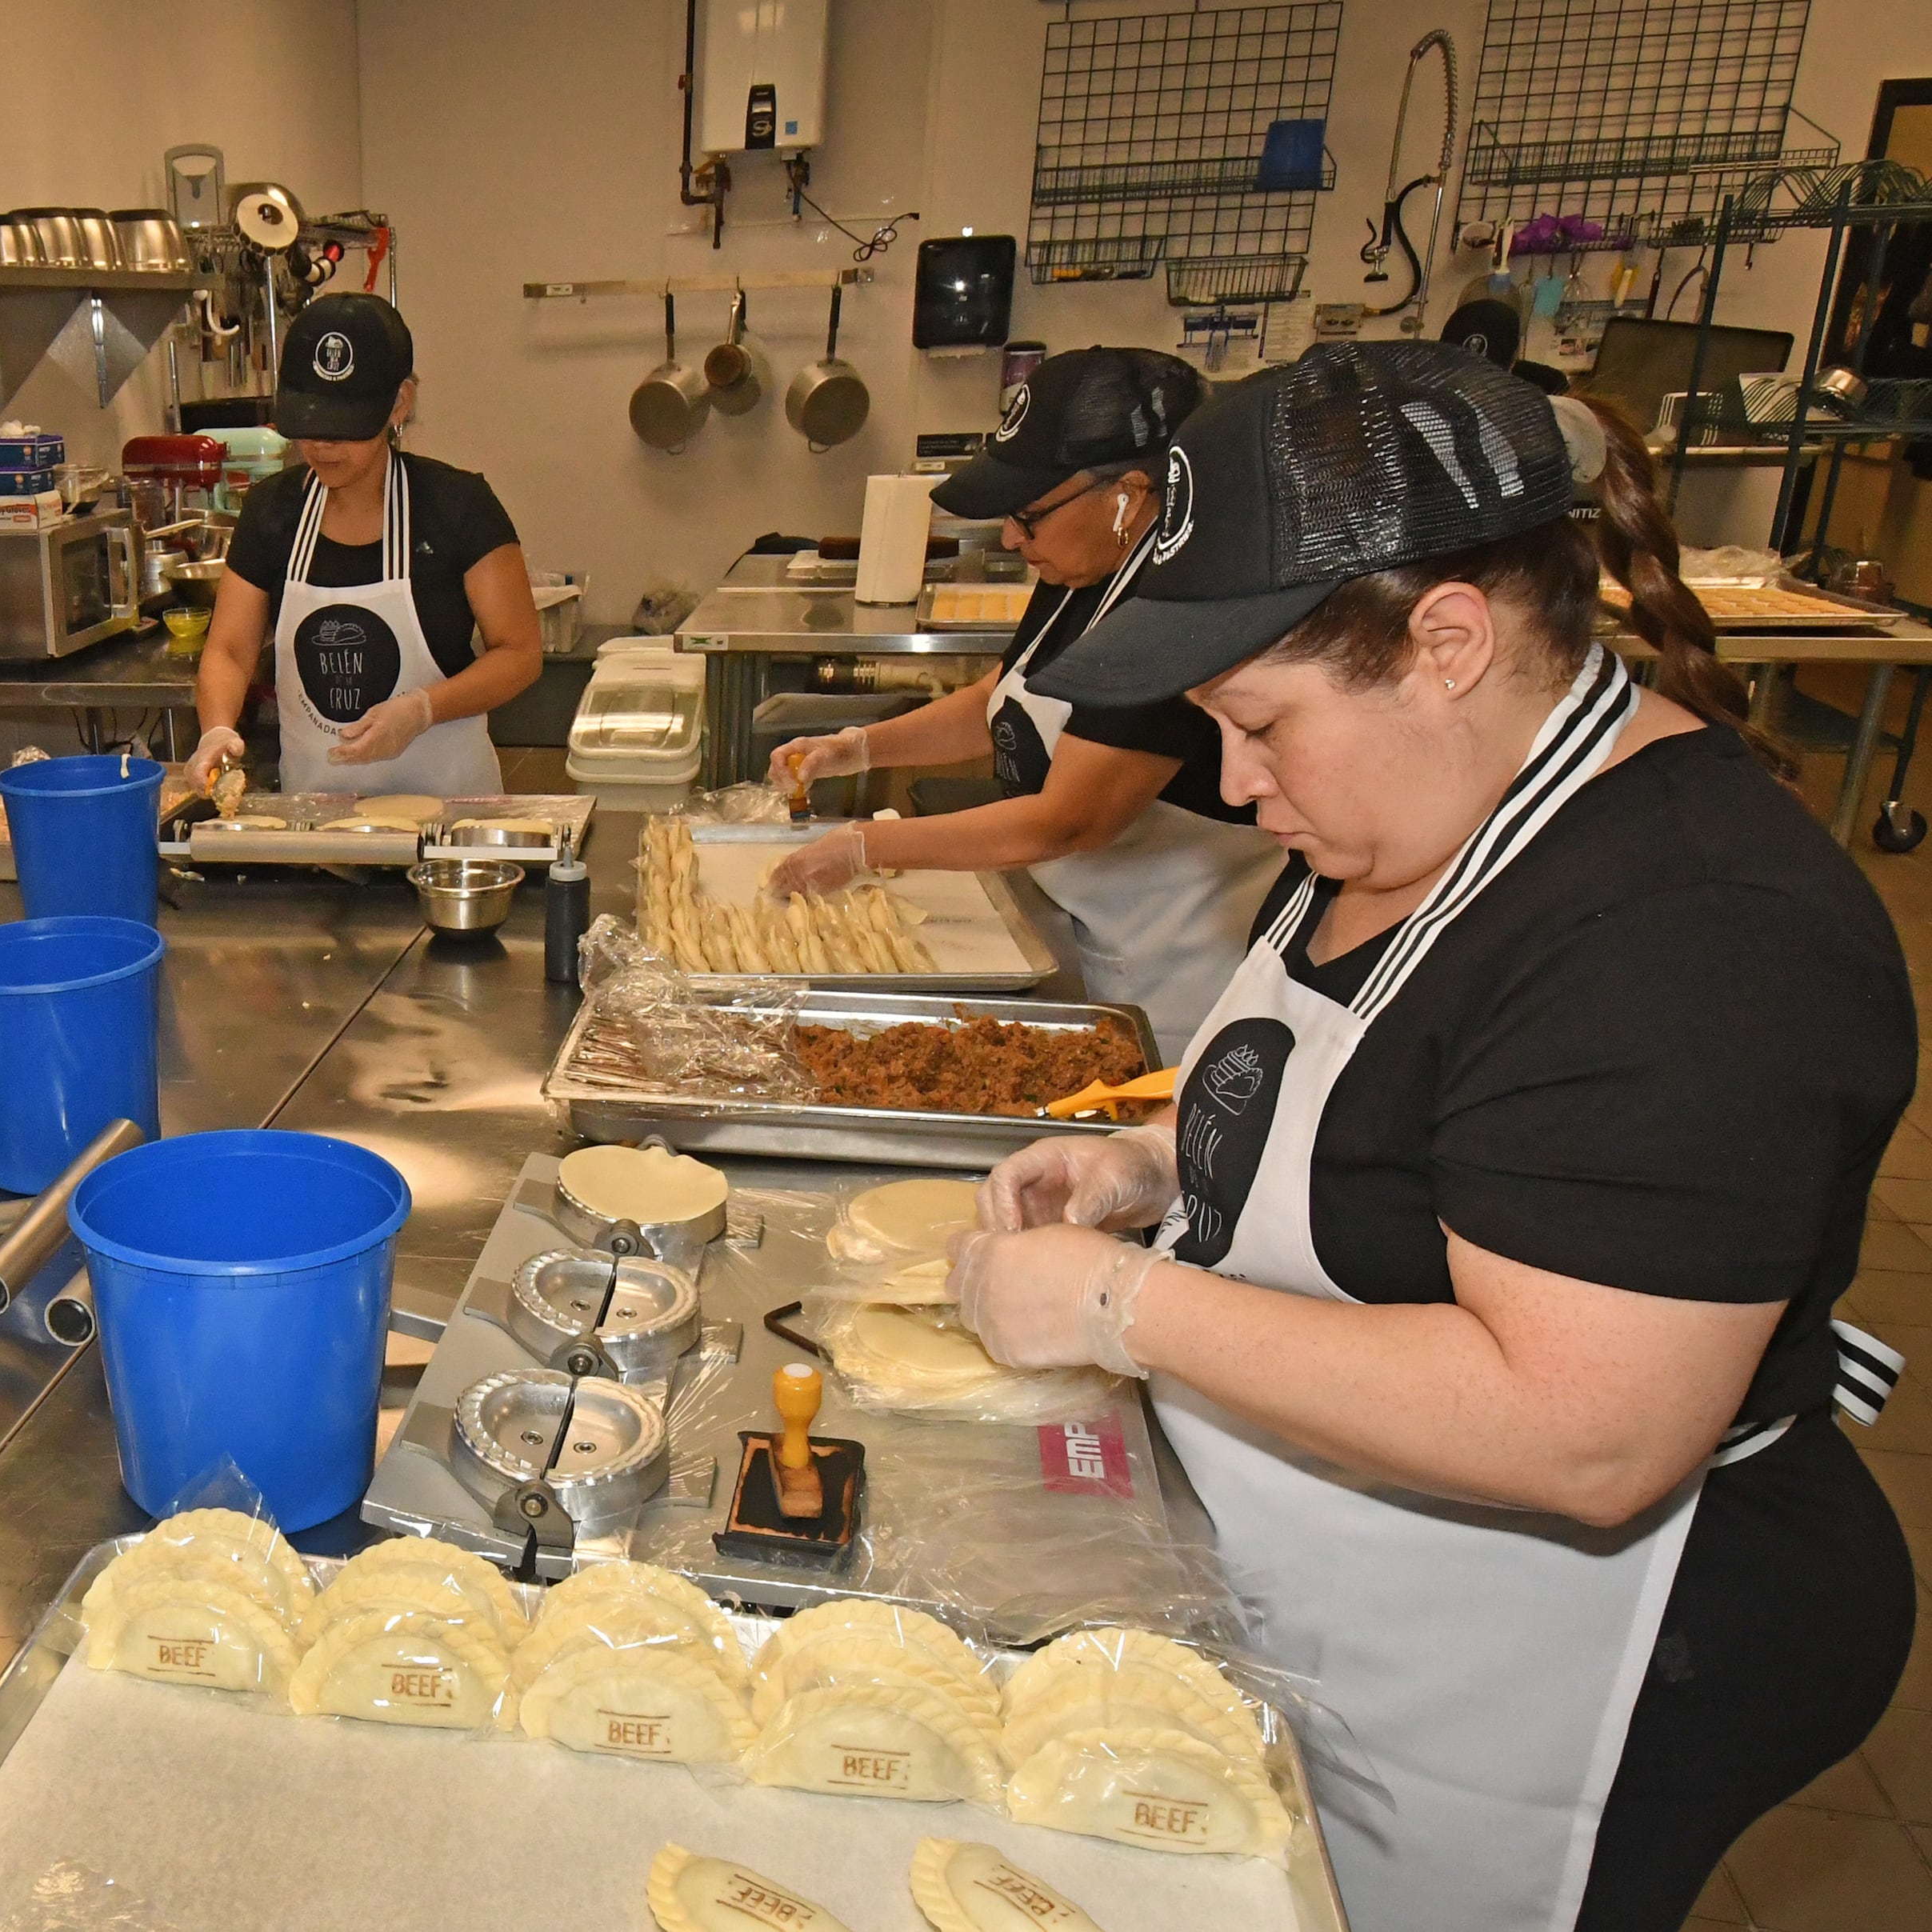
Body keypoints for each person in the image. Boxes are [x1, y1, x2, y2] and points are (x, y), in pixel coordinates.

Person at [947, 343, 1915, 1932]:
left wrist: (1125, 1307)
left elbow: (1588, 1431)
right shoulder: (1413, 800)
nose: (1238, 784)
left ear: (1450, 640)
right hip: (1363, 1566)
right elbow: (1340, 1066)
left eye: (1259, 724)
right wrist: (1151, 1165)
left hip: (1601, 1639)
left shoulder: (1702, 937)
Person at [761, 347, 1277, 1058]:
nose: (1010, 537)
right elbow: (999, 700)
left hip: (1176, 987)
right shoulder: (1082, 565)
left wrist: (866, 846)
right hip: (1074, 933)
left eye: (1029, 516)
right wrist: (856, 747)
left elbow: (1069, 820)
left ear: (1127, 492)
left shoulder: (1179, 600)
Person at [186, 293, 544, 799]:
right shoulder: (271, 512)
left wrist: (423, 709)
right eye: (310, 426)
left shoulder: (458, 506)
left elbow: (521, 653)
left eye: (344, 427)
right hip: (315, 823)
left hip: (450, 824)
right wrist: (217, 729)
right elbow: (229, 649)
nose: (323, 446)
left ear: (400, 402)